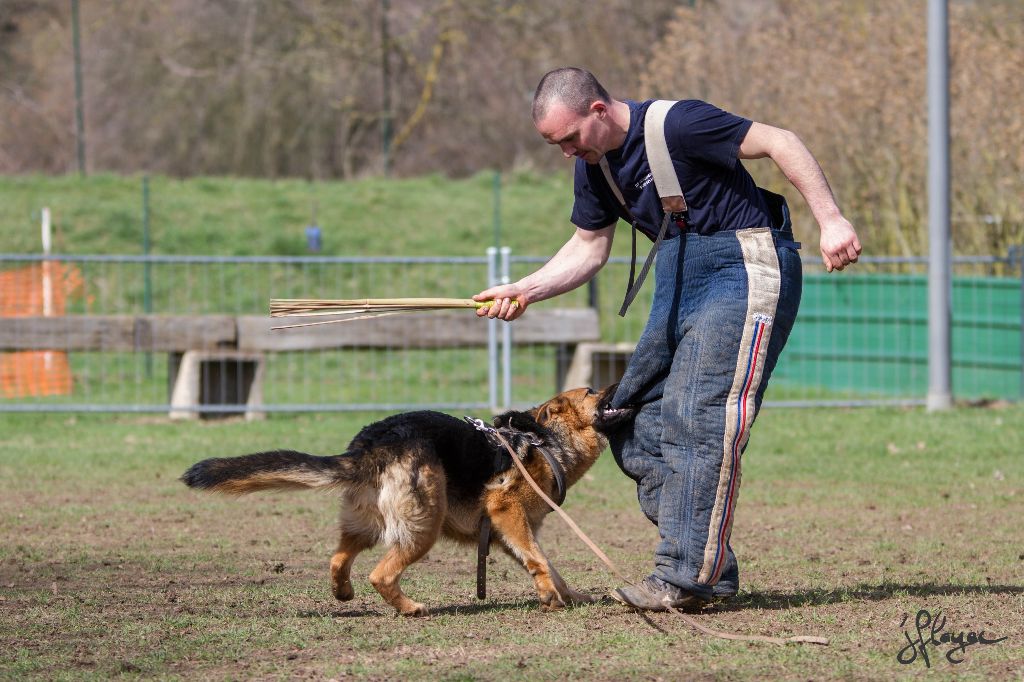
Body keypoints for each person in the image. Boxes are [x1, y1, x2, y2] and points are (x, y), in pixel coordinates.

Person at [474, 67, 861, 611]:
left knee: (699, 415)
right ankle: (710, 566)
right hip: (679, 276)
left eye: (569, 138)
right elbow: (589, 248)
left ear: (598, 111)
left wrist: (832, 218)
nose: (565, 152)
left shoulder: (679, 124)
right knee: (630, 417)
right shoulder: (594, 165)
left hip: (742, 266)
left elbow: (780, 141)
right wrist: (525, 289)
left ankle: (684, 574)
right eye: (554, 144)